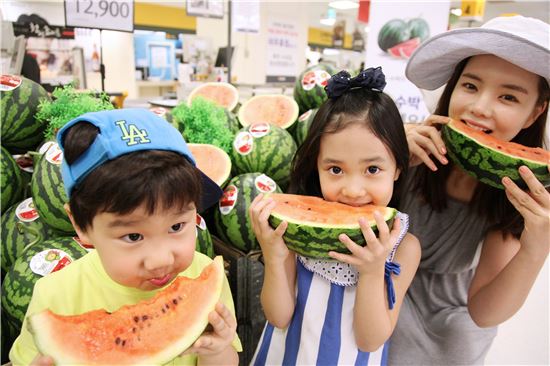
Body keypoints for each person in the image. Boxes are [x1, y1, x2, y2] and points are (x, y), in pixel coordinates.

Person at [9, 109, 242, 365]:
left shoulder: (204, 273)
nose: (159, 260)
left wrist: (218, 351)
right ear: (80, 224)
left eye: (176, 227)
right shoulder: (53, 296)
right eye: (133, 236)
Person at [388, 15, 550, 365]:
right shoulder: (410, 150)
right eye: (471, 86)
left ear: (534, 114)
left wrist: (537, 248)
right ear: (453, 86)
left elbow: (484, 313)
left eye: (508, 96)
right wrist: (387, 162)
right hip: (373, 304)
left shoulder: (518, 196)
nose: (479, 107)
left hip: (447, 333)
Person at [249, 67, 421, 365]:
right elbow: (278, 317)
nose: (353, 191)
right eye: (336, 170)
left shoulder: (404, 247)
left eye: (372, 169)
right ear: (316, 168)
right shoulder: (297, 230)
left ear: (397, 169)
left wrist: (372, 270)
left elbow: (370, 339)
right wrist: (275, 255)